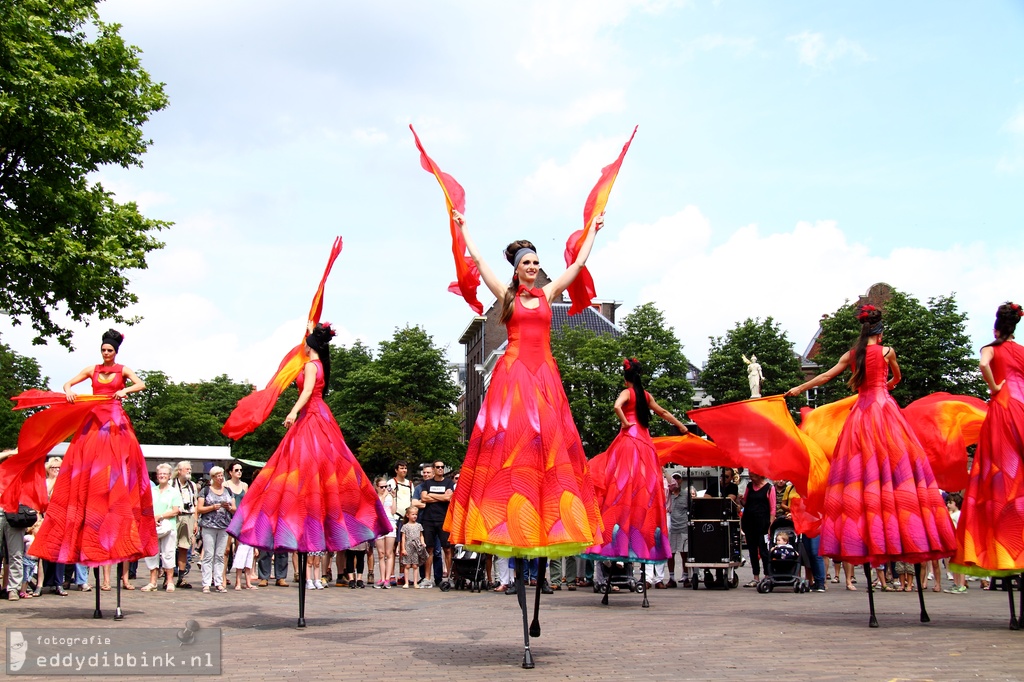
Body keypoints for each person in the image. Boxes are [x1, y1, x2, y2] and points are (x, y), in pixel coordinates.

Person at [443, 209, 605, 667]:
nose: (533, 269)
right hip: (514, 377)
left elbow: (577, 268)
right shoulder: (507, 295)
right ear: (517, 270)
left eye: (536, 264)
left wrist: (592, 231)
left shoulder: (549, 294)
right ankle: (506, 518)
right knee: (509, 450)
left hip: (544, 377)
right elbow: (478, 261)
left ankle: (545, 518)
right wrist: (464, 228)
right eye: (527, 264)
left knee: (549, 452)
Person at [786, 304, 956, 626]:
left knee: (860, 475)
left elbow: (825, 375)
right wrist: (888, 388)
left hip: (862, 414)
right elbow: (897, 377)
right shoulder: (888, 350)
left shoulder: (854, 355)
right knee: (898, 469)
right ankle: (906, 536)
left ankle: (867, 545)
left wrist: (800, 389)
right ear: (881, 329)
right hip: (885, 412)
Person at [227, 322, 391, 626]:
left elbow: (305, 392)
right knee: (295, 469)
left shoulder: (313, 365)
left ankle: (313, 518)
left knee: (308, 468)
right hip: (313, 418)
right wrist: (312, 325)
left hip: (312, 418)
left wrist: (292, 411)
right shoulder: (313, 359)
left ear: (311, 344)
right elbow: (310, 337)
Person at [0, 329, 156, 617]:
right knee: (88, 460)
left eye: (109, 350)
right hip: (95, 419)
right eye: (103, 350)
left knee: (117, 460)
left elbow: (141, 384)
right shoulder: (92, 370)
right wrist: (70, 391)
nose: (105, 354)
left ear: (115, 352)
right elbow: (68, 382)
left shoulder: (122, 370)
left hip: (115, 421)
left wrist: (124, 390)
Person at [583, 358, 689, 600]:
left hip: (629, 441)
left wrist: (624, 422)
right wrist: (681, 426)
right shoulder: (645, 395)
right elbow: (662, 412)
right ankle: (638, 535)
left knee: (618, 484)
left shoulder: (627, 393)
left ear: (625, 378)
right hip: (644, 443)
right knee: (642, 487)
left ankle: (616, 533)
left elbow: (616, 406)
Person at [949, 303, 1024, 616]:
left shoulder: (990, 348)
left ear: (996, 328)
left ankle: (1003, 540)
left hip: (1004, 407)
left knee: (1000, 472)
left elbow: (983, 364)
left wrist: (994, 387)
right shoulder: (1020, 351)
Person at [141, 463, 182, 592]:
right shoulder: (151, 491)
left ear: (169, 476)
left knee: (168, 554)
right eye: (160, 474)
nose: (162, 476)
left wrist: (160, 516)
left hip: (168, 526)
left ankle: (169, 581)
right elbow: (145, 508)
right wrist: (152, 518)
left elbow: (176, 510)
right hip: (152, 526)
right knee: (152, 553)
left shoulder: (174, 492)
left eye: (165, 474)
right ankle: (152, 581)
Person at [197, 466, 235, 593]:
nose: (220, 477)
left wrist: (228, 507)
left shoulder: (228, 491)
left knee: (220, 555)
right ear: (212, 477)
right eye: (217, 475)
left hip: (224, 526)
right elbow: (199, 508)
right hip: (209, 526)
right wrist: (212, 507)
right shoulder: (206, 490)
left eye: (221, 475)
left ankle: (218, 582)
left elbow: (235, 509)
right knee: (208, 554)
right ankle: (206, 583)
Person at [420, 460, 454, 588]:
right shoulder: (427, 483)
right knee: (429, 548)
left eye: (442, 467)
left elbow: (448, 498)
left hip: (444, 519)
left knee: (447, 549)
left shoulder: (448, 482)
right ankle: (427, 578)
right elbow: (423, 498)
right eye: (438, 467)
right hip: (429, 520)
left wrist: (431, 496)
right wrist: (441, 496)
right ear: (433, 469)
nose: (440, 469)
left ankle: (448, 577)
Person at [740, 473, 775, 587]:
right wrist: (741, 500)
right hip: (750, 523)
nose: (750, 477)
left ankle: (767, 575)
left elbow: (772, 508)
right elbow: (745, 502)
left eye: (753, 475)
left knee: (764, 550)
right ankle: (755, 577)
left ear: (760, 475)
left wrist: (771, 525)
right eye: (749, 475)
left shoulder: (769, 488)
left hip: (763, 523)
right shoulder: (750, 486)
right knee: (752, 551)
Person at [224, 461, 255, 590]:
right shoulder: (226, 485)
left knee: (241, 549)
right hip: (228, 518)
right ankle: (223, 577)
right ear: (230, 472)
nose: (239, 472)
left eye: (241, 470)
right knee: (226, 550)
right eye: (236, 470)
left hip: (241, 519)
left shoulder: (244, 486)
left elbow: (246, 503)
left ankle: (243, 580)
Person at [171, 461, 198, 589]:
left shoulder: (192, 485)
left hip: (188, 516)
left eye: (190, 469)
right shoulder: (172, 484)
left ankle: (181, 577)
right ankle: (168, 577)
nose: (189, 471)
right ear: (179, 470)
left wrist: (195, 521)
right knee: (170, 547)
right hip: (174, 517)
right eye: (187, 469)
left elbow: (195, 505)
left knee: (184, 547)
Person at [373, 477, 396, 588]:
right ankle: (382, 577)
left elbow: (393, 511)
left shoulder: (389, 496)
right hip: (379, 524)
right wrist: (383, 496)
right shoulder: (376, 497)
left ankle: (388, 578)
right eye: (381, 487)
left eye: (386, 486)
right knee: (381, 553)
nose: (384, 489)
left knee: (389, 553)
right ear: (377, 487)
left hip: (390, 522)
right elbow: (378, 509)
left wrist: (394, 497)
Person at [400, 507, 428, 589]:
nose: (415, 516)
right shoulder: (405, 526)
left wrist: (423, 542)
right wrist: (403, 549)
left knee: (415, 566)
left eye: (416, 514)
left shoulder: (419, 525)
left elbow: (421, 535)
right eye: (413, 514)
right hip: (408, 547)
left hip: (416, 547)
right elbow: (403, 538)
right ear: (407, 515)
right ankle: (406, 582)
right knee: (407, 565)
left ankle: (415, 582)